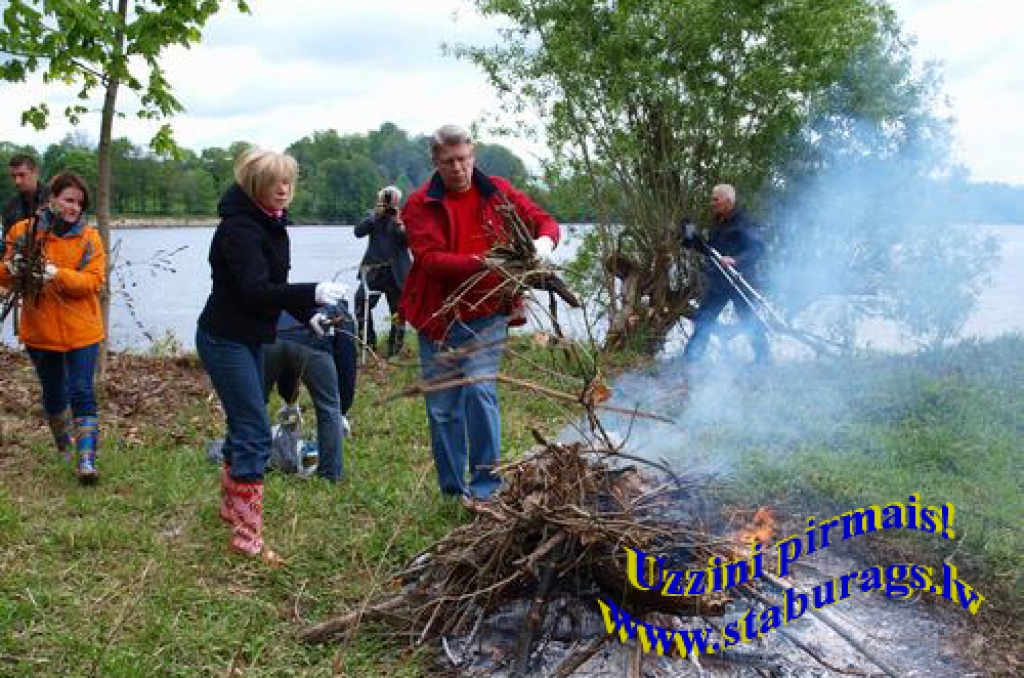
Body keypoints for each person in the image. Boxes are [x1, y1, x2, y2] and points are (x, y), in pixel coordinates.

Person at [196, 147, 348, 564]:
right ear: (254, 185)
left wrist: (308, 317)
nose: (284, 190)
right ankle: (247, 537)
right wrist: (313, 291)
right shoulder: (241, 229)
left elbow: (272, 285)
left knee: (244, 424)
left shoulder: (268, 222)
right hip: (224, 338)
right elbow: (254, 291)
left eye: (289, 182)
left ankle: (231, 510)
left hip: (245, 336)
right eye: (274, 183)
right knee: (254, 431)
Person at [399, 124, 560, 502]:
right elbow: (431, 260)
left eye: (464, 159)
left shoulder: (499, 192)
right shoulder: (419, 204)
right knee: (443, 409)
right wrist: (489, 263)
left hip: (489, 314)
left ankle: (486, 489)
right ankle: (454, 493)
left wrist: (543, 243)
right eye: (448, 162)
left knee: (479, 390)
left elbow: (546, 222)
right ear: (436, 163)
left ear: (474, 156)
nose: (458, 168)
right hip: (438, 318)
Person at [0, 172, 105, 483]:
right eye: (68, 200)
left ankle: (86, 461)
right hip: (40, 331)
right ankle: (64, 446)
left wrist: (56, 273)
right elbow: (4, 274)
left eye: (79, 203)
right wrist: (12, 268)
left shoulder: (90, 238)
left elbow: (93, 282)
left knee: (82, 390)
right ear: (52, 199)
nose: (74, 207)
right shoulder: (24, 232)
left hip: (82, 330)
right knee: (54, 390)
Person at [262, 303, 357, 483]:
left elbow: (287, 364)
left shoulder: (291, 303)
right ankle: (330, 475)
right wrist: (343, 408)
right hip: (313, 346)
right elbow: (346, 365)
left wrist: (289, 400)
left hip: (272, 339)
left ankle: (253, 464)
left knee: (256, 403)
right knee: (328, 407)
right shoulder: (342, 314)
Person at [681, 183, 770, 366]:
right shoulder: (718, 221)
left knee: (749, 320)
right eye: (712, 199)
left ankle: (763, 359)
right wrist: (689, 232)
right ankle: (691, 359)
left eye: (716, 199)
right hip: (719, 281)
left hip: (740, 280)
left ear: (728, 201)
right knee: (704, 317)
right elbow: (707, 249)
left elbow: (758, 249)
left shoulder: (744, 222)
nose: (712, 203)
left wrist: (735, 260)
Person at [354, 185, 412, 358]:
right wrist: (374, 217)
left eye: (392, 199)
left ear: (398, 200)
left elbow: (410, 241)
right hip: (374, 271)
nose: (389, 202)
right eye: (386, 198)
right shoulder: (374, 217)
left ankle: (395, 348)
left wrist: (399, 224)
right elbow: (357, 232)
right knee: (360, 303)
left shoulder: (403, 217)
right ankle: (368, 343)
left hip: (397, 273)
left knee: (398, 312)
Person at [3, 154, 48, 247]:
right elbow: (6, 244)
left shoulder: (54, 199)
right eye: (13, 176)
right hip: (17, 259)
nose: (17, 181)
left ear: (35, 172)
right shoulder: (10, 206)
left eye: (21, 175)